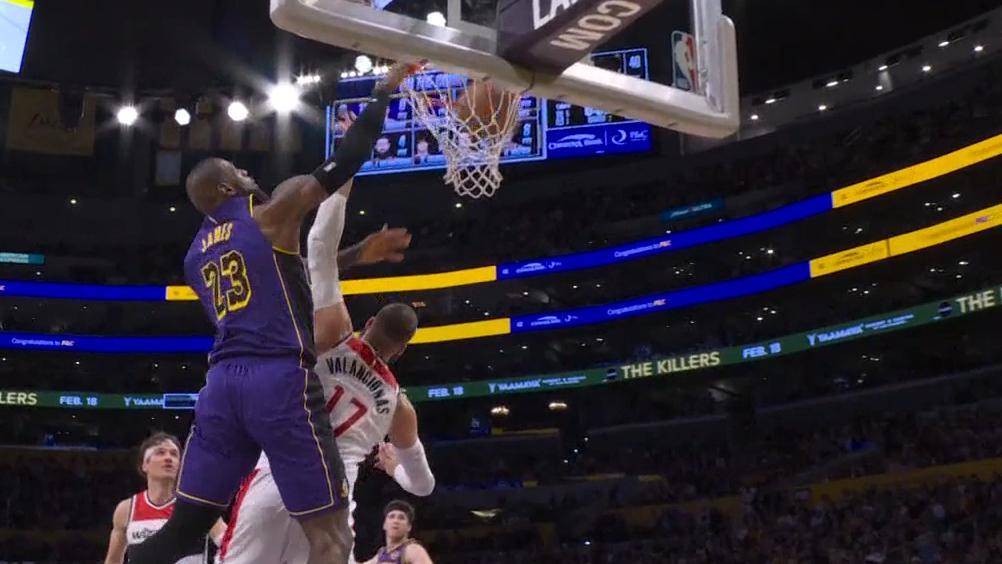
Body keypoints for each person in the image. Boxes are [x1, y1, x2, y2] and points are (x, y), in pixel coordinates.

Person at [128, 61, 421, 564]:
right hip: (278, 381)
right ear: (226, 188)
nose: (249, 175)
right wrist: (382, 92)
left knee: (179, 532)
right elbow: (343, 163)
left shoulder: (195, 256)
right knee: (334, 539)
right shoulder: (269, 214)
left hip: (221, 387)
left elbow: (284, 281)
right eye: (240, 173)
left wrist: (354, 256)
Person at [219, 148, 434, 563]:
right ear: (403, 350)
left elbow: (317, 247)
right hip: (333, 498)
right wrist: (393, 470)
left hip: (278, 474)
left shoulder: (333, 333)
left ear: (368, 323)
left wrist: (345, 176)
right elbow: (423, 485)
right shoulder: (399, 406)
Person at [103, 433, 226, 564]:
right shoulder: (126, 509)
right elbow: (113, 560)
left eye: (174, 454)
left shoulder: (197, 505)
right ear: (144, 465)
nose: (168, 458)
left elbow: (229, 543)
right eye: (160, 453)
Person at [359, 500, 433, 564]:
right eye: (391, 516)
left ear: (409, 527)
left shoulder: (413, 549)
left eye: (401, 518)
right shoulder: (381, 554)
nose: (396, 521)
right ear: (384, 524)